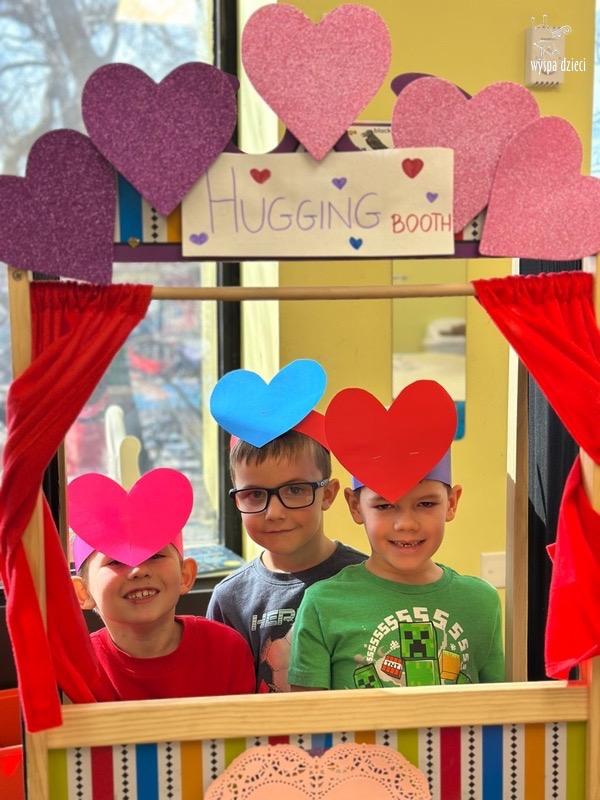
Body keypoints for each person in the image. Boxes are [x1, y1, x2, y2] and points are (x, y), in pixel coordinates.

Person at [288, 448, 505, 690]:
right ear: (355, 506)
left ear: (451, 503)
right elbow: (306, 711)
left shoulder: (481, 602)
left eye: (426, 503)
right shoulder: (322, 603)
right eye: (384, 506)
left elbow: (500, 705)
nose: (406, 524)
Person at [69, 468, 256, 701]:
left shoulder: (226, 650)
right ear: (83, 592)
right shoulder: (77, 668)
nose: (138, 570)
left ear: (185, 575)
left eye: (156, 555)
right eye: (115, 561)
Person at [206, 426, 367, 692]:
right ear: (237, 502)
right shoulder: (230, 599)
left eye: (294, 490)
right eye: (255, 494)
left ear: (327, 494)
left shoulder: (368, 580)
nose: (274, 513)